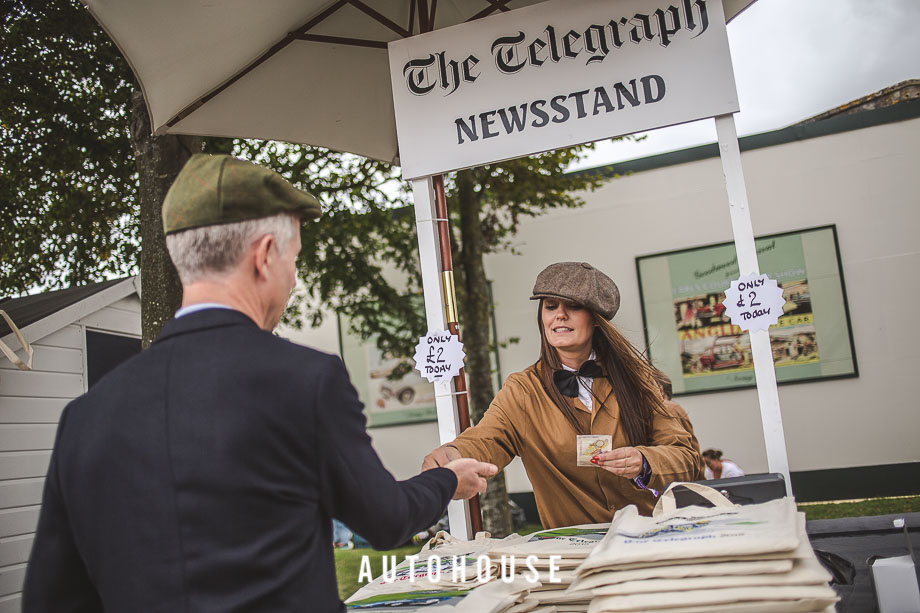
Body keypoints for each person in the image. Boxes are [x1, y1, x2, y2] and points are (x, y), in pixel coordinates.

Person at [22, 154, 496, 612]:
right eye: (294, 260)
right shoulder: (306, 380)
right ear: (265, 255)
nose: (292, 280)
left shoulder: (84, 415)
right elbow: (386, 518)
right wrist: (446, 480)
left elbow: (52, 597)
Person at [422, 262, 702, 528]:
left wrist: (644, 462)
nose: (559, 315)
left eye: (573, 307)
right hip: (571, 550)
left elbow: (685, 459)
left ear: (595, 319)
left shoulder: (637, 380)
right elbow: (487, 439)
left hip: (650, 538)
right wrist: (452, 453)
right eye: (550, 306)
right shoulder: (522, 390)